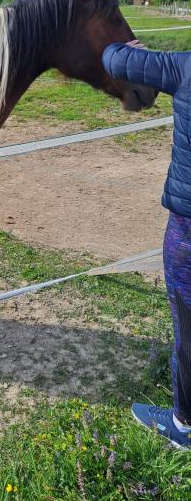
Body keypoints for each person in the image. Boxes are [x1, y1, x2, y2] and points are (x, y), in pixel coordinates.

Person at [102, 39, 191, 449]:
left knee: (188, 327)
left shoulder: (183, 66)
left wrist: (129, 47)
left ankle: (183, 424)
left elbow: (113, 58)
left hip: (187, 231)